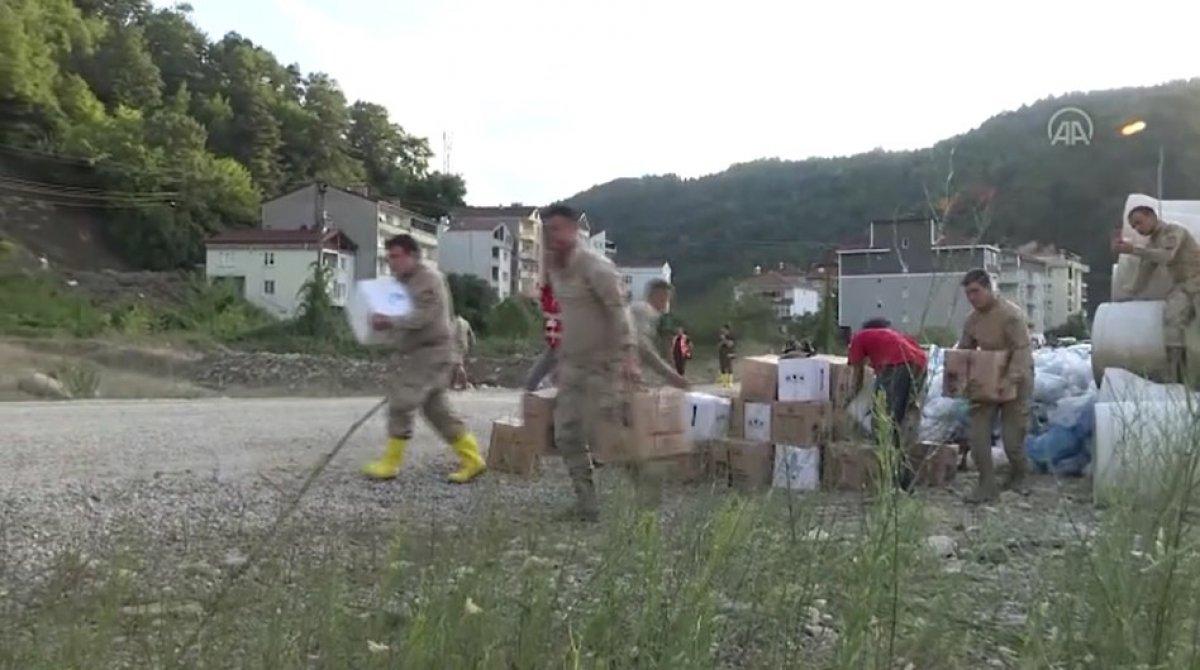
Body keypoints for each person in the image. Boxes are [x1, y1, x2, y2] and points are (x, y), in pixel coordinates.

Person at [361, 234, 486, 484]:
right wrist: (380, 322)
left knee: (402, 401)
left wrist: (389, 320)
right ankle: (473, 459)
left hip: (432, 352)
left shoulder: (428, 280)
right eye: (389, 258)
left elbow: (422, 317)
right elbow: (397, 314)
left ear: (413, 255)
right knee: (437, 411)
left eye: (396, 256)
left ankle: (390, 464)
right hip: (419, 353)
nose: (392, 263)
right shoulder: (402, 282)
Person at [543, 204, 640, 521]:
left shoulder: (595, 266)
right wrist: (561, 359)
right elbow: (570, 317)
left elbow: (619, 311)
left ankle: (644, 486)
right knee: (567, 434)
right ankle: (588, 505)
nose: (551, 236)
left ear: (573, 229)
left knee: (605, 434)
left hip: (604, 364)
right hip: (573, 364)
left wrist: (629, 355)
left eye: (557, 229)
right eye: (548, 229)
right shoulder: (556, 267)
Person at [957, 268, 1034, 503]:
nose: (972, 297)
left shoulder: (1011, 315)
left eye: (976, 292)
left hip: (1016, 377)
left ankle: (1020, 474)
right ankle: (986, 484)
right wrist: (958, 378)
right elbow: (965, 351)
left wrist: (1010, 379)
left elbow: (1022, 350)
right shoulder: (972, 320)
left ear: (989, 289)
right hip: (986, 378)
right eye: (968, 293)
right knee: (978, 434)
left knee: (1012, 439)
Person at [1114, 205, 1200, 382]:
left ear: (1151, 216)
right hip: (1183, 287)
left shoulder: (1173, 231)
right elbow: (1144, 274)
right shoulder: (1151, 245)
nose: (1138, 228)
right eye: (1134, 226)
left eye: (1139, 222)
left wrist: (1134, 250)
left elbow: (1167, 256)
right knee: (1172, 325)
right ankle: (1177, 375)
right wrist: (1128, 292)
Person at [847, 317, 928, 490]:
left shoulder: (859, 337)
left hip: (897, 366)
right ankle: (901, 476)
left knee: (883, 423)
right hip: (920, 365)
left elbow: (857, 375)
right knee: (897, 422)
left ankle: (897, 479)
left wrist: (849, 398)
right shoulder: (894, 336)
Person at [630, 279, 690, 389]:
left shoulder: (637, 309)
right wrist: (671, 375)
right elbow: (642, 346)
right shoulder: (646, 311)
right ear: (659, 296)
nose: (667, 305)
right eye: (666, 300)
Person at [524, 279, 562, 391]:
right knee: (532, 381)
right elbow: (529, 293)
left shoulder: (569, 295)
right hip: (554, 346)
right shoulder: (547, 295)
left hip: (567, 345)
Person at [450, 314, 475, 391]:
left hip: (457, 345)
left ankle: (464, 384)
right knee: (455, 365)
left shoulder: (457, 322)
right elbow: (471, 334)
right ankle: (452, 384)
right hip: (464, 345)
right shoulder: (466, 322)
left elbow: (455, 334)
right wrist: (472, 343)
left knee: (458, 365)